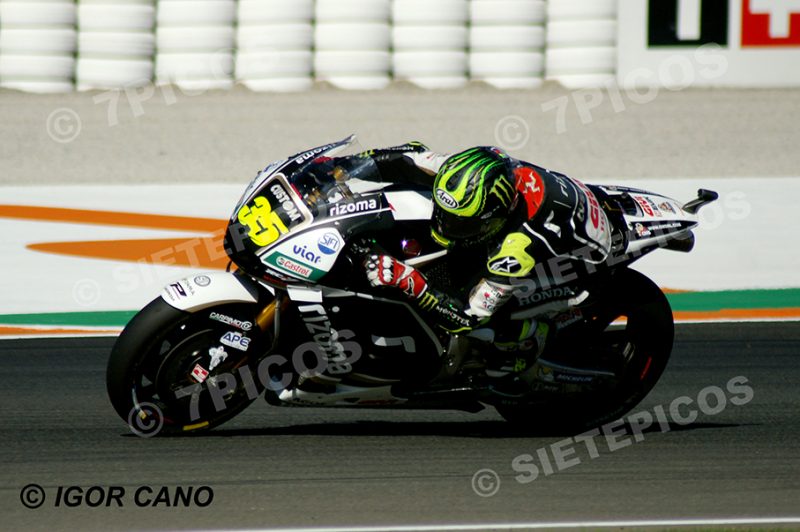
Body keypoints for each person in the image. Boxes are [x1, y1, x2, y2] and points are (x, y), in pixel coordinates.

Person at [356, 142, 613, 371]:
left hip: (579, 266)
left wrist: (411, 282)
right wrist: (340, 168)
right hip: (569, 209)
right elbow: (410, 156)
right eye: (444, 215)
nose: (445, 227)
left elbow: (468, 317)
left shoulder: (516, 249)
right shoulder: (465, 170)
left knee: (485, 321)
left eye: (462, 225)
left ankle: (531, 340)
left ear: (496, 218)